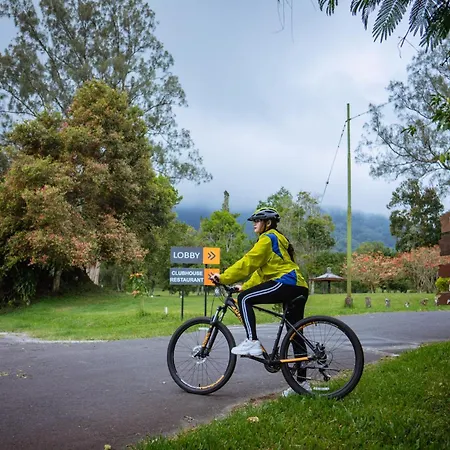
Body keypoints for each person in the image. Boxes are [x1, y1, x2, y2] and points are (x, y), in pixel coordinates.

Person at [209, 207, 310, 395]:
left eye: (257, 220)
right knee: (295, 333)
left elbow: (248, 262)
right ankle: (302, 385)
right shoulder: (277, 239)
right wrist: (245, 286)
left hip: (286, 282)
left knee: (244, 299)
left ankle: (252, 341)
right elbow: (262, 271)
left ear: (268, 223)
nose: (254, 224)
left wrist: (223, 277)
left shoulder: (268, 238)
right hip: (299, 285)